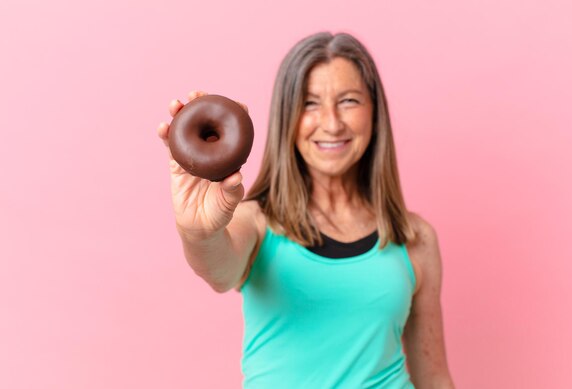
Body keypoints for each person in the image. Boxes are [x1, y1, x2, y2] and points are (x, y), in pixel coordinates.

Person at [157, 32, 454, 388]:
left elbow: (433, 377)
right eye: (310, 103)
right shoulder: (256, 223)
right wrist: (198, 232)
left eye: (348, 100)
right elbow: (218, 270)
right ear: (288, 118)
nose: (331, 123)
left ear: (375, 114)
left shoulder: (415, 237)